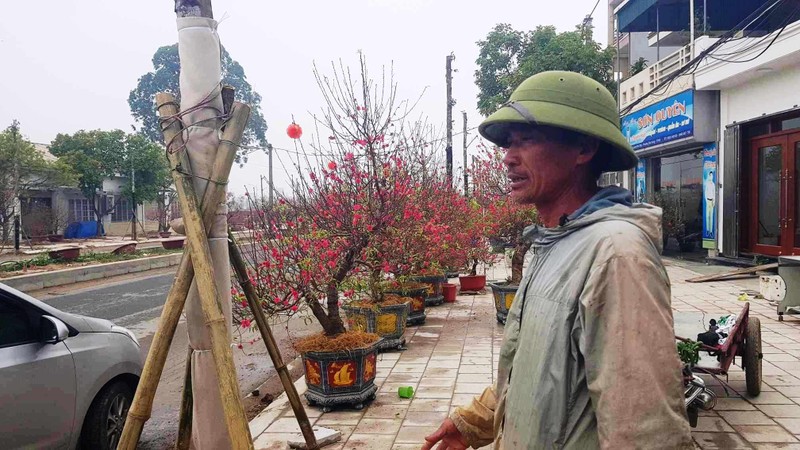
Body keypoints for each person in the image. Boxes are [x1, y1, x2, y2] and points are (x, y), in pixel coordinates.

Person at [422, 71, 693, 449]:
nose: (508, 158)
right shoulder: (557, 242)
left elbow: (645, 429)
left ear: (583, 149)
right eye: (509, 143)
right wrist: (475, 421)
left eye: (527, 140)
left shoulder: (615, 254)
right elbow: (538, 373)